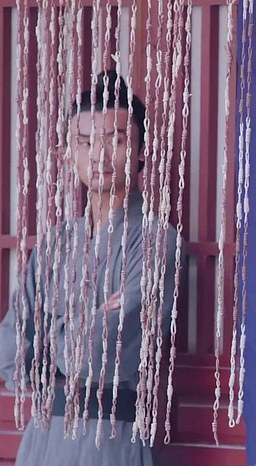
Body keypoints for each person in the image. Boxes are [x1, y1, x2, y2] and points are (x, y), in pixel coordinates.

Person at [0, 70, 180, 466]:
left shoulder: (156, 241)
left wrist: (50, 332)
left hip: (111, 437)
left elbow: (96, 354)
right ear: (69, 152)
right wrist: (84, 324)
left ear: (141, 150)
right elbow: (9, 352)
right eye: (85, 142)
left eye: (116, 140)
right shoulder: (56, 243)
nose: (99, 155)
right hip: (43, 436)